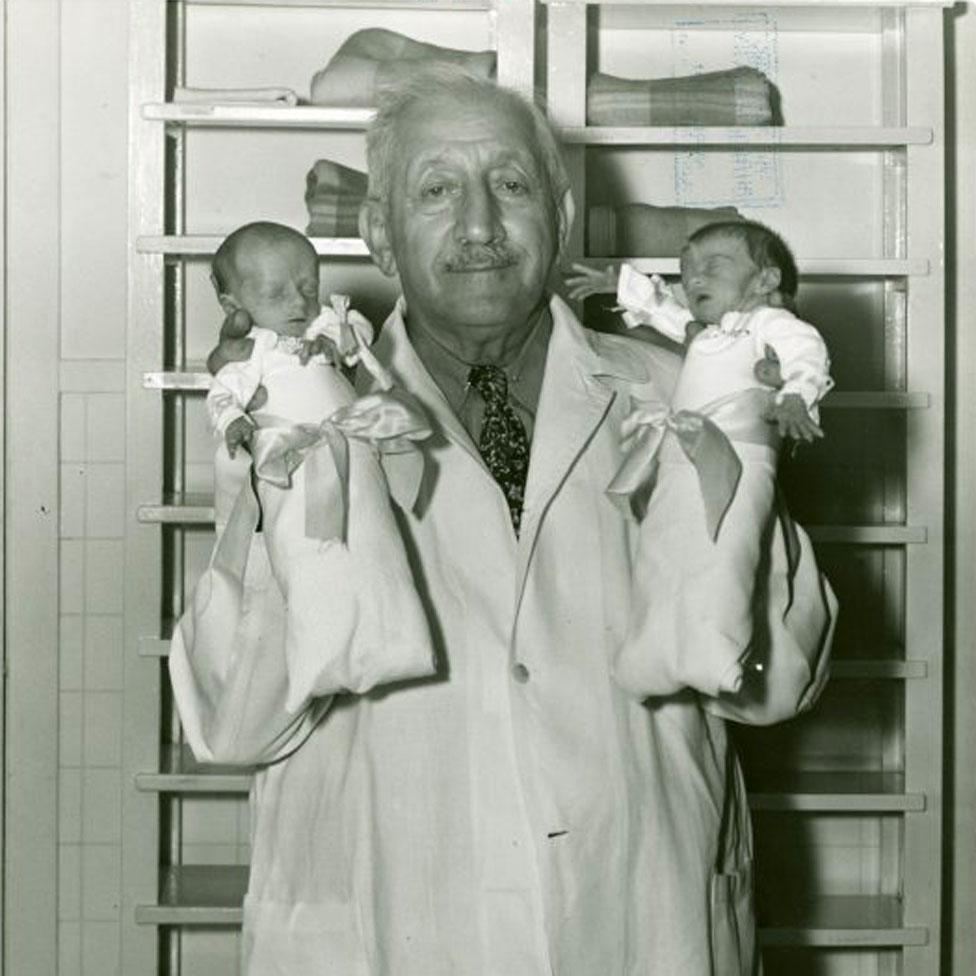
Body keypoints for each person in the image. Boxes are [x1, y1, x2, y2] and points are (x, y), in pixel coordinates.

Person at [172, 68, 836, 975]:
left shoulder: (673, 385)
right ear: (378, 233)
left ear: (560, 216)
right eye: (438, 189)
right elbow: (231, 729)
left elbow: (773, 687)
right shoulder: (295, 407)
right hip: (389, 933)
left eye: (513, 186)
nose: (481, 226)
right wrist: (275, 491)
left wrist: (742, 461)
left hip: (641, 921)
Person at [565, 222, 833, 699]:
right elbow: (666, 315)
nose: (693, 279)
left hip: (739, 459)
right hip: (680, 456)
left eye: (712, 266)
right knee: (662, 551)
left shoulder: (768, 324)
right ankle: (648, 652)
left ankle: (718, 647)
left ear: (765, 280)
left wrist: (795, 395)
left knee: (724, 551)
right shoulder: (712, 335)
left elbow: (805, 352)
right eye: (686, 270)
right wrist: (621, 288)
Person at [187, 220, 435, 717]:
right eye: (276, 292)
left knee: (376, 549)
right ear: (234, 303)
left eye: (307, 286)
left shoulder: (320, 325)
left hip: (356, 458)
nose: (299, 303)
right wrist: (234, 420)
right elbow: (224, 393)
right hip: (296, 468)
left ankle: (395, 641)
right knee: (312, 562)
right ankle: (318, 660)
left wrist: (341, 338)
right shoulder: (250, 351)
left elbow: (359, 335)